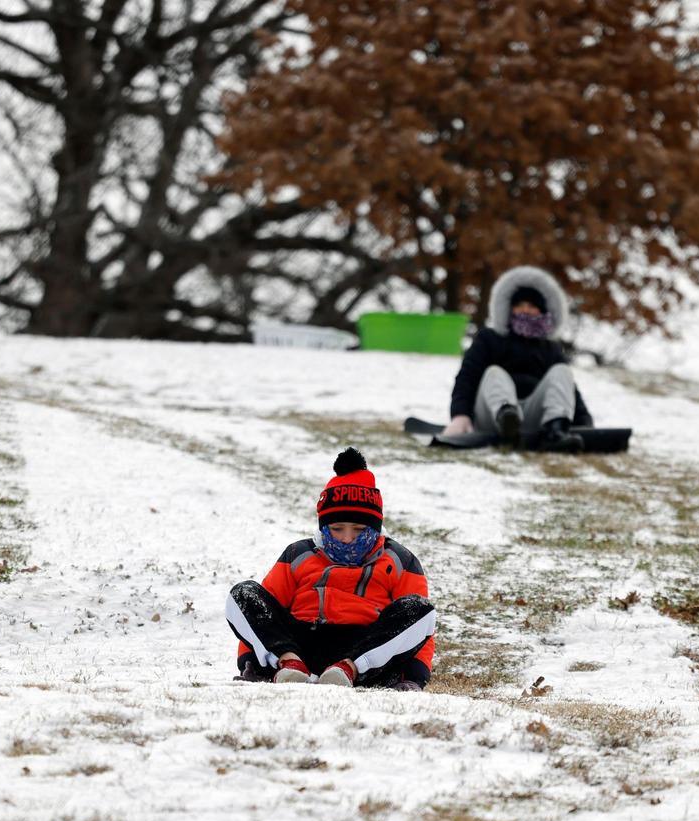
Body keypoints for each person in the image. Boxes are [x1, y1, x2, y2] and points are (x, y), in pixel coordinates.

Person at [225, 447, 436, 690]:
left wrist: (414, 676)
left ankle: (347, 669)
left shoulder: (400, 560)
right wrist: (250, 663)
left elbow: (420, 632)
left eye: (358, 530)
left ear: (376, 527)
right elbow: (263, 616)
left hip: (363, 652)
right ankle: (290, 666)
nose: (347, 538)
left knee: (421, 609)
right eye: (337, 529)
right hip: (299, 646)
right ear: (324, 527)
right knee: (243, 594)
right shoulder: (298, 554)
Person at [443, 265, 593, 452]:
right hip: (491, 415)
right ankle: (507, 420)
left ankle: (556, 429)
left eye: (531, 306)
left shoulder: (550, 349)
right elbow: (467, 378)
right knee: (494, 373)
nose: (525, 311)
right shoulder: (489, 339)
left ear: (542, 311)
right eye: (520, 305)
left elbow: (566, 388)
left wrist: (585, 425)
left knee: (562, 371)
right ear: (510, 308)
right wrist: (460, 416)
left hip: (532, 415)